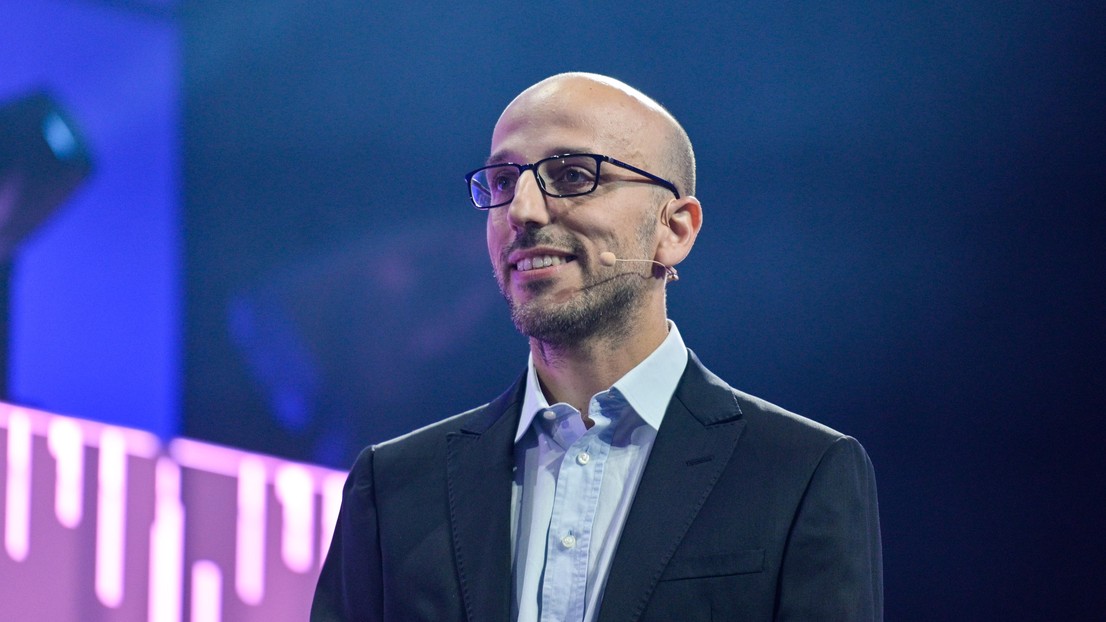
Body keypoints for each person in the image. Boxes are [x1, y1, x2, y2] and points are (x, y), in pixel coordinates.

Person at [311, 72, 882, 621]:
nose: (523, 211)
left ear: (674, 229)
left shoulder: (798, 472)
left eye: (573, 175)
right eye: (504, 183)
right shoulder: (393, 486)